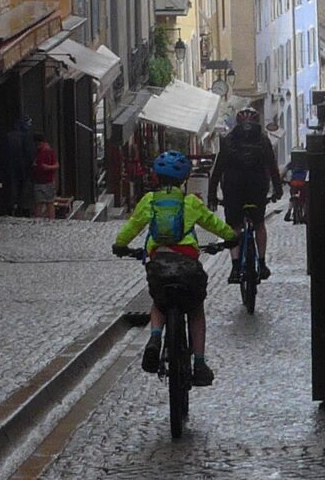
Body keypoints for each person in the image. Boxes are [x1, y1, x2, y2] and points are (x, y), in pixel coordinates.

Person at [112, 150, 237, 387]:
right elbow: (216, 225)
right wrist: (230, 238)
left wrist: (120, 246)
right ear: (184, 179)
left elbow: (132, 227)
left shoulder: (149, 201)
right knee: (196, 308)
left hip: (158, 263)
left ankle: (155, 339)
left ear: (156, 178)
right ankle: (199, 364)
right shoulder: (191, 202)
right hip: (188, 265)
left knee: (158, 301)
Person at [207, 107, 283, 283]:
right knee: (259, 225)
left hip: (233, 190)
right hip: (257, 189)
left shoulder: (227, 140)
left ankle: (235, 267)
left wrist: (212, 195)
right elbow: (272, 168)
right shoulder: (263, 140)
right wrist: (277, 191)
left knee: (234, 227)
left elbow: (217, 171)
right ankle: (262, 263)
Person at [31, 134, 59, 218]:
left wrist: (47, 167)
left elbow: (56, 165)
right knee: (46, 203)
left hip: (44, 181)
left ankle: (42, 220)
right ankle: (50, 220)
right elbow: (56, 165)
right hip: (44, 181)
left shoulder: (46, 151)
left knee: (43, 203)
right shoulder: (43, 151)